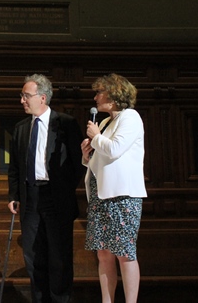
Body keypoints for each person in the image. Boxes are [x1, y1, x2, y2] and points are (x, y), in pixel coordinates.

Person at [7, 74, 84, 303]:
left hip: (56, 198)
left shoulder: (66, 123)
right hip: (30, 198)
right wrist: (14, 195)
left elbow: (79, 162)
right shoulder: (21, 128)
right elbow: (15, 167)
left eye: (25, 96)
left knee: (59, 256)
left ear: (42, 97)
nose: (22, 100)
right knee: (33, 257)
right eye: (21, 95)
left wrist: (64, 188)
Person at [80, 73, 147, 303]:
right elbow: (103, 158)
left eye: (100, 92)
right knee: (103, 253)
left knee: (124, 254)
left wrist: (97, 137)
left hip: (123, 197)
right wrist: (86, 155)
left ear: (115, 95)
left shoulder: (131, 117)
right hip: (101, 196)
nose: (96, 97)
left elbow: (115, 149)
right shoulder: (108, 121)